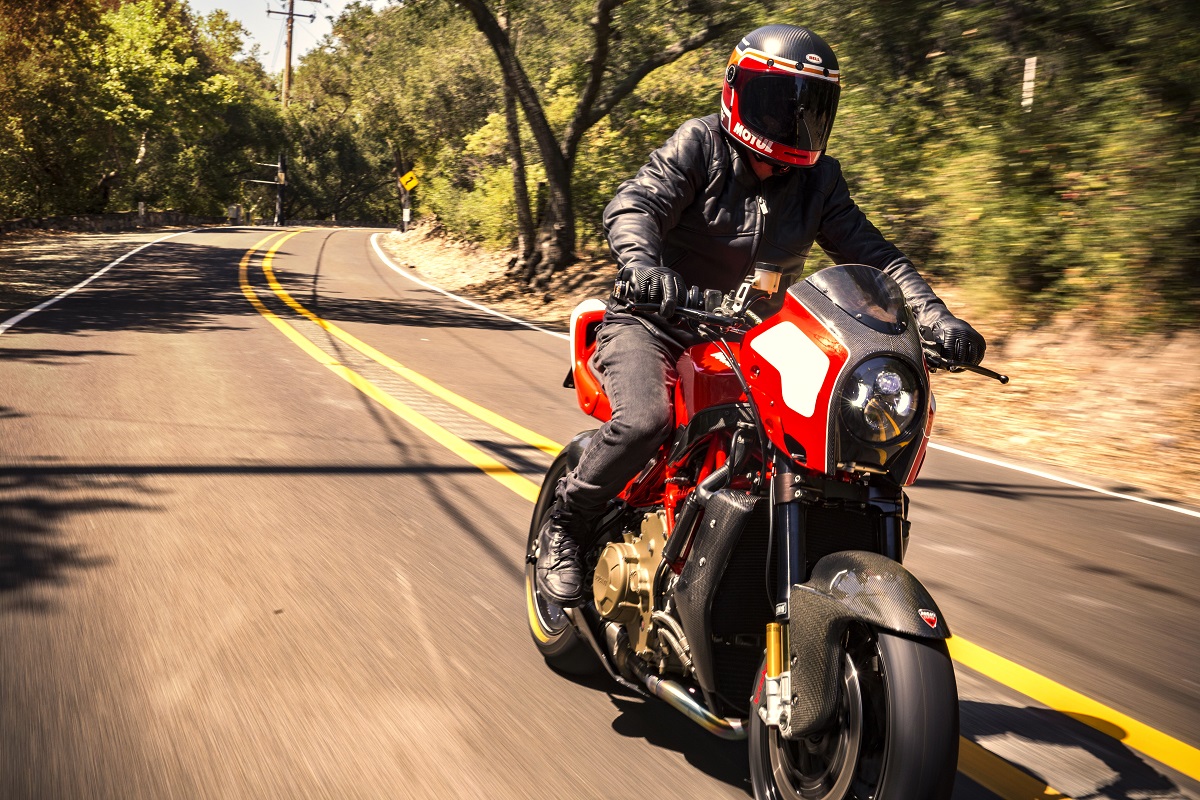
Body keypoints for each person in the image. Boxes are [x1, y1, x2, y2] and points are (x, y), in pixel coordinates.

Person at [535, 23, 986, 606]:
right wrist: (642, 264)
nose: (794, 123)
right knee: (646, 419)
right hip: (655, 321)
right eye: (779, 105)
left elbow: (874, 256)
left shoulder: (819, 179)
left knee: (828, 447)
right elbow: (637, 202)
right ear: (738, 92)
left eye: (810, 108)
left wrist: (934, 317)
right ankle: (566, 525)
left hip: (750, 337)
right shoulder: (700, 145)